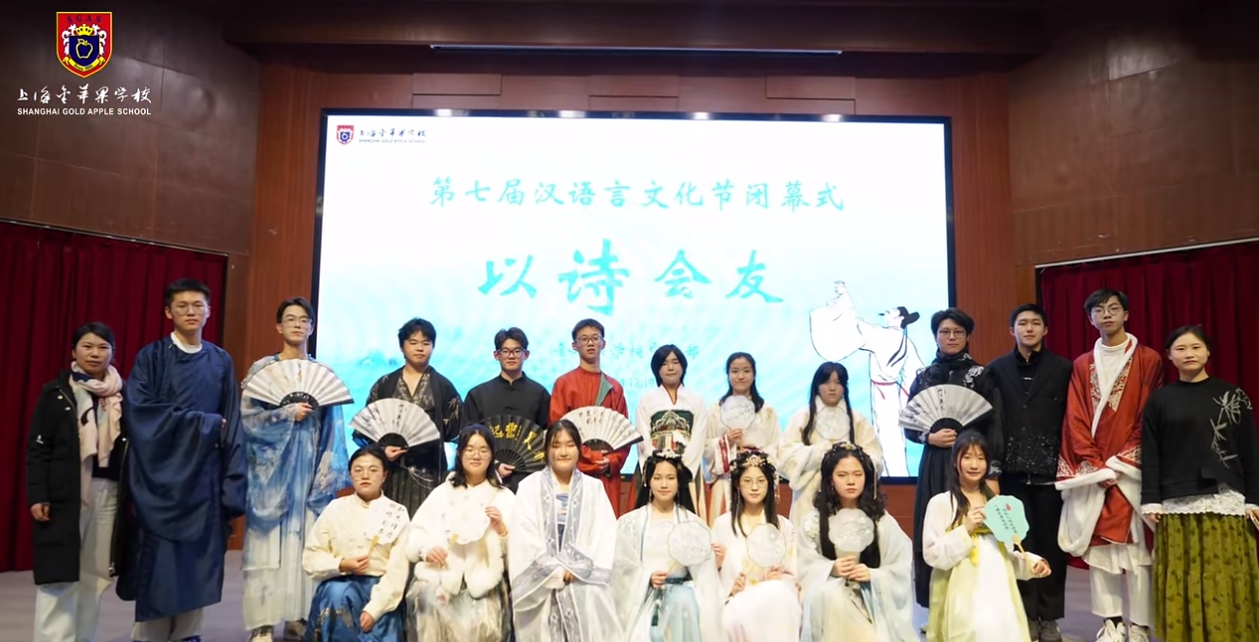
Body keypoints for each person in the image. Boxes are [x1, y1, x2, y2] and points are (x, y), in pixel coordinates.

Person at [113, 278, 246, 642]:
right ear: (168, 312)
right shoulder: (152, 357)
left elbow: (232, 423)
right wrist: (203, 423)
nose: (191, 312)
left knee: (197, 563)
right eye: (183, 306)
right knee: (157, 563)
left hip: (204, 479)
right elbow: (141, 412)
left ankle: (189, 634)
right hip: (160, 479)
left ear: (209, 311)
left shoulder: (220, 361)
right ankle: (149, 635)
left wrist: (233, 481)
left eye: (198, 305)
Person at [1055, 289, 1162, 642]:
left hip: (1132, 472)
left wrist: (1121, 462)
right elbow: (1075, 417)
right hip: (1096, 472)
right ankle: (1112, 622)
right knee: (1100, 553)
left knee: (1139, 555)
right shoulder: (1082, 364)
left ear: (1126, 314)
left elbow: (1150, 414)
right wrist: (1095, 464)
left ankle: (1141, 625)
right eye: (1098, 310)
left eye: (1114, 308)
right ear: (1090, 319)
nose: (1107, 315)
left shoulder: (1148, 360)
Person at [241, 298, 351, 642]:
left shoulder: (323, 374)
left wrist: (325, 476)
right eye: (290, 319)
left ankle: (298, 616)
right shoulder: (262, 370)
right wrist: (286, 414)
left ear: (312, 327)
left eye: (304, 320)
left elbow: (334, 428)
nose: (297, 325)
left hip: (308, 472)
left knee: (305, 544)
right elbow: (248, 421)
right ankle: (262, 622)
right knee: (267, 547)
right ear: (278, 326)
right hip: (269, 475)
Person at [1141, 325, 1259, 642]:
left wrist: (1253, 498)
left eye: (1195, 347)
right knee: (1182, 575)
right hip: (1175, 500)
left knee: (1226, 573)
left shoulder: (1233, 396)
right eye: (1180, 348)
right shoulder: (1159, 401)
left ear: (1208, 351)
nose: (1189, 354)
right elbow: (1151, 454)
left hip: (1226, 498)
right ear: (1169, 356)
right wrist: (1150, 498)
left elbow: (1249, 450)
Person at [27, 323, 128, 642]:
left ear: (113, 352)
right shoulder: (56, 393)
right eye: (87, 346)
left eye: (102, 347)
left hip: (108, 493)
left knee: (94, 577)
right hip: (66, 494)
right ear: (73, 351)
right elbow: (38, 448)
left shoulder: (123, 395)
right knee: (59, 575)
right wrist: (38, 494)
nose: (95, 353)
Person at [906, 307, 1003, 609]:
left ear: (967, 336)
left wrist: (992, 472)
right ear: (935, 336)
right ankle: (935, 605)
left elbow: (994, 426)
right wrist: (929, 437)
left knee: (969, 526)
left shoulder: (982, 376)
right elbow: (910, 425)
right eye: (944, 332)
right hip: (934, 463)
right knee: (933, 528)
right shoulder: (923, 378)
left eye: (958, 332)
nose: (951, 337)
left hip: (970, 466)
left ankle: (969, 604)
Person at [987, 303, 1072, 642]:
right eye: (1022, 323)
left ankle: (1049, 618)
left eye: (1036, 323)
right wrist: (993, 469)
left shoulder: (1064, 368)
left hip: (1051, 473)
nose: (1029, 328)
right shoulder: (996, 369)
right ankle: (1023, 615)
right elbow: (991, 420)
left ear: (1045, 330)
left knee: (1052, 548)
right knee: (1018, 545)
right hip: (1011, 474)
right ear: (1012, 330)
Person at [923, 430, 1051, 642]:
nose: (974, 465)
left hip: (1000, 601)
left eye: (981, 458)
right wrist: (965, 530)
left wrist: (1032, 564)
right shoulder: (941, 503)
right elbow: (932, 554)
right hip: (963, 604)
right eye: (967, 457)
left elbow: (1006, 557)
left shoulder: (999, 506)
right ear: (955, 462)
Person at [509, 419, 622, 642]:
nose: (563, 452)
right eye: (556, 445)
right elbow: (524, 534)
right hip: (541, 584)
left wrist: (576, 566)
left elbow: (604, 534)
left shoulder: (594, 488)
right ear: (547, 450)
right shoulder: (529, 486)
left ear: (579, 449)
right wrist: (553, 569)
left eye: (570, 445)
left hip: (584, 582)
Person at [796, 442, 917, 642]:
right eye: (842, 475)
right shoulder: (815, 521)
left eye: (858, 474)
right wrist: (830, 569)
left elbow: (900, 566)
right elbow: (803, 564)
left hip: (871, 599)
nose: (851, 481)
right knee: (834, 597)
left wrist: (873, 575)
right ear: (830, 480)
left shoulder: (881, 521)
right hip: (829, 601)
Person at [406, 424, 515, 642]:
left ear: (492, 455)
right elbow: (415, 533)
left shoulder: (503, 497)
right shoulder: (442, 493)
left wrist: (501, 530)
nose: (476, 455)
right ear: (459, 453)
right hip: (441, 576)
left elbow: (519, 553)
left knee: (481, 619)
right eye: (470, 449)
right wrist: (427, 550)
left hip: (484, 583)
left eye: (483, 450)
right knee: (426, 599)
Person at [809, 280, 925, 477]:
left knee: (887, 434)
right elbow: (915, 373)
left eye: (891, 312)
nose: (887, 313)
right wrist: (906, 399)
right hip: (892, 391)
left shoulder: (884, 336)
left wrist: (845, 301)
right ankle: (895, 474)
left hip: (883, 392)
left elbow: (856, 326)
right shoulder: (905, 341)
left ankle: (892, 475)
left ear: (899, 318)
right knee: (890, 435)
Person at [302, 446, 410, 642]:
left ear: (384, 475)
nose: (365, 476)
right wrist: (341, 564)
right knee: (337, 594)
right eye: (358, 470)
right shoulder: (335, 508)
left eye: (373, 470)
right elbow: (311, 557)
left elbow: (398, 572)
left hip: (381, 591)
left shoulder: (397, 513)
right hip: (338, 588)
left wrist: (374, 610)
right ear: (350, 474)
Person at [359, 317, 465, 516]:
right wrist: (382, 451)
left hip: (429, 471)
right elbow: (367, 429)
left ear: (433, 346)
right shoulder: (385, 384)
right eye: (413, 342)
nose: (420, 348)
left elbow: (457, 432)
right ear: (402, 346)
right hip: (391, 470)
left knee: (427, 524)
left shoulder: (443, 387)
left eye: (426, 343)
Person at [612, 451, 722, 642]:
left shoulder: (693, 524)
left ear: (679, 482)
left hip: (683, 602)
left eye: (670, 478)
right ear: (647, 481)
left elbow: (705, 575)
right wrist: (646, 577)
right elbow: (619, 567)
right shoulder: (630, 523)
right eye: (657, 478)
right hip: (643, 601)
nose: (664, 484)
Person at [711, 449, 801, 641]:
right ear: (737, 484)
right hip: (737, 601)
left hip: (772, 601)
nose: (754, 487)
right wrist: (729, 586)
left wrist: (779, 579)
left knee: (779, 593)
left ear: (770, 484)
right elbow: (709, 578)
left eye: (761, 481)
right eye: (747, 481)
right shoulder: (722, 525)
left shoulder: (783, 526)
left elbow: (793, 575)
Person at [780, 361, 883, 523]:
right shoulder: (802, 418)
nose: (832, 388)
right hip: (808, 497)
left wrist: (848, 461)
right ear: (817, 385)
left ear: (845, 387)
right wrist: (819, 454)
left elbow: (875, 457)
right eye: (827, 382)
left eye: (838, 382)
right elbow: (784, 457)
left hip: (849, 498)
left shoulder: (858, 420)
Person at [548, 319, 630, 513]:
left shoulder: (614, 388)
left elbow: (624, 434)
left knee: (605, 524)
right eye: (584, 339)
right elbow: (557, 430)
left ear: (604, 343)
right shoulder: (564, 384)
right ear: (574, 345)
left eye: (595, 338)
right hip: (573, 471)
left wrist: (613, 461)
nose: (590, 343)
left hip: (607, 475)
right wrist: (591, 457)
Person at [464, 327, 552, 491]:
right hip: (486, 477)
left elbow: (547, 437)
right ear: (496, 355)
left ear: (526, 354)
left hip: (531, 481)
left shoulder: (540, 394)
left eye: (517, 351)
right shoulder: (478, 395)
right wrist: (494, 464)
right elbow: (467, 440)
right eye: (505, 351)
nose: (511, 356)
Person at [704, 352, 781, 523]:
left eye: (746, 371)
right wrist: (725, 442)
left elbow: (774, 445)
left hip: (756, 479)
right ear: (727, 374)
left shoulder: (766, 410)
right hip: (726, 477)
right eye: (735, 371)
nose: (740, 376)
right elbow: (706, 446)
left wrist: (757, 461)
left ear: (754, 374)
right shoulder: (716, 409)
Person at [634, 344, 708, 519]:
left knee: (689, 517)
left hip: (687, 466)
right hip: (655, 465)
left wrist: (683, 468)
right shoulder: (647, 400)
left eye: (675, 362)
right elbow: (643, 437)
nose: (671, 367)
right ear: (656, 369)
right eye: (664, 363)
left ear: (683, 366)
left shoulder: (696, 399)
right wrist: (656, 466)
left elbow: (699, 437)